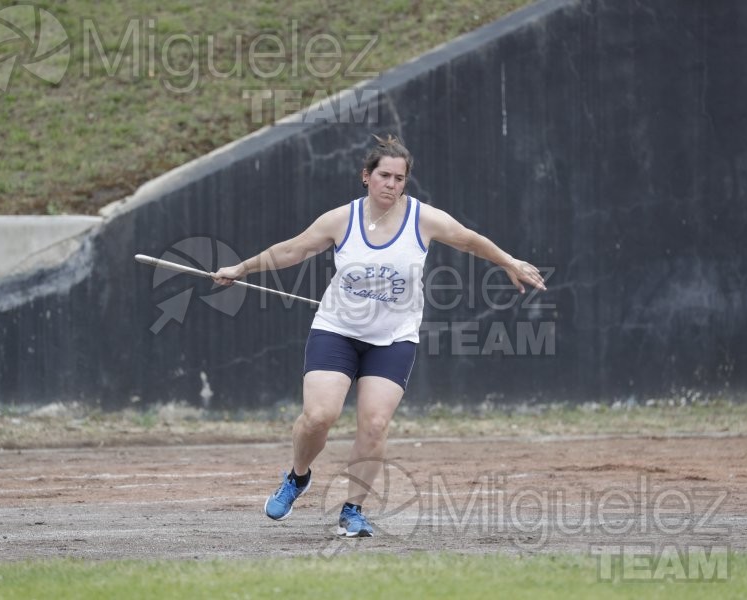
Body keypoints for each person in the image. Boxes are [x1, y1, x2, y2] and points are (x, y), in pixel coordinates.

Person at [212, 134, 546, 537]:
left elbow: (469, 240)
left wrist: (508, 262)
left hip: (394, 339)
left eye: (399, 178)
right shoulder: (340, 219)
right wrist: (241, 269)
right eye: (384, 175)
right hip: (337, 330)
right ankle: (298, 476)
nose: (392, 184)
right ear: (366, 177)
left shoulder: (424, 219)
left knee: (374, 424)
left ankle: (352, 510)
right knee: (319, 416)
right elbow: (292, 251)